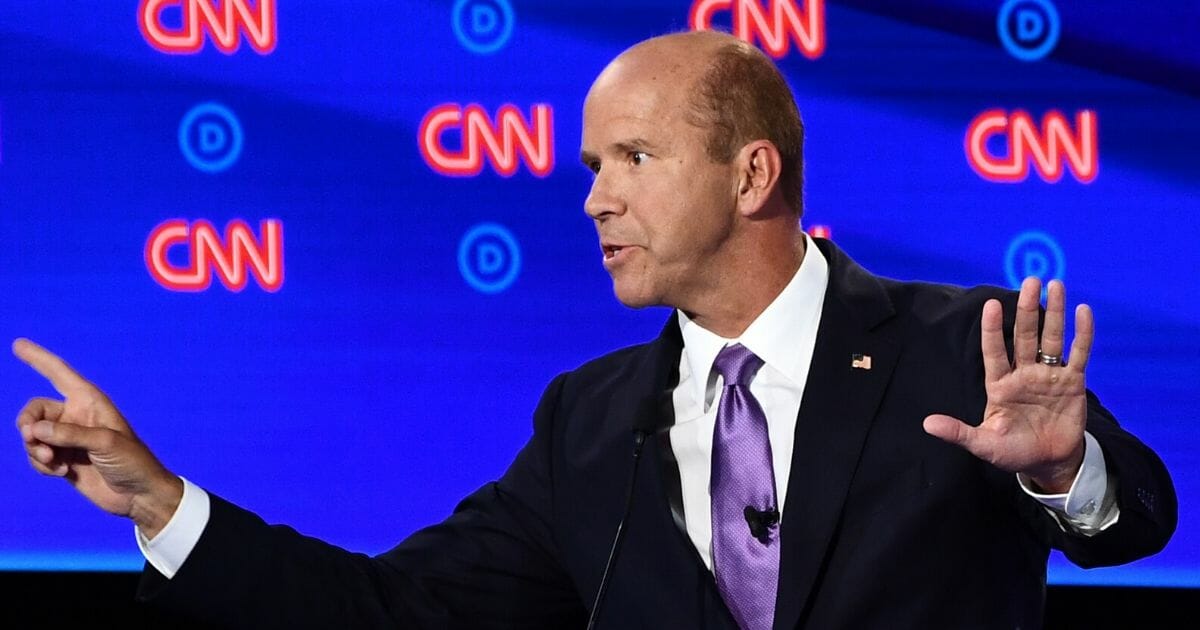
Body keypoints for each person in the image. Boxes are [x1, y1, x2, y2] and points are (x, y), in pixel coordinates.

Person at [14, 30, 1175, 629]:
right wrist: (160, 503)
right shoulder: (592, 419)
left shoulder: (955, 344)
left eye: (634, 159)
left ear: (751, 172)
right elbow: (397, 613)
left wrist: (1068, 473)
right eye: (590, 165)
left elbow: (1134, 526)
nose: (593, 199)